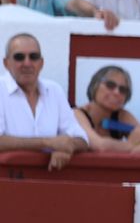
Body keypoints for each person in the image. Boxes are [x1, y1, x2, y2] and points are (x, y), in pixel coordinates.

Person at [0, 32, 89, 172]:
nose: (27, 63)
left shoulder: (54, 90)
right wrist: (48, 143)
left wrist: (67, 147)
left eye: (33, 57)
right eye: (19, 57)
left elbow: (82, 138)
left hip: (50, 183)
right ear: (6, 63)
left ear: (41, 63)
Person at [73, 64, 140, 153]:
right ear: (95, 85)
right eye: (110, 85)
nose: (116, 92)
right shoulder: (77, 114)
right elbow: (99, 146)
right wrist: (131, 144)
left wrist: (122, 149)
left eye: (123, 90)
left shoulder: (122, 116)